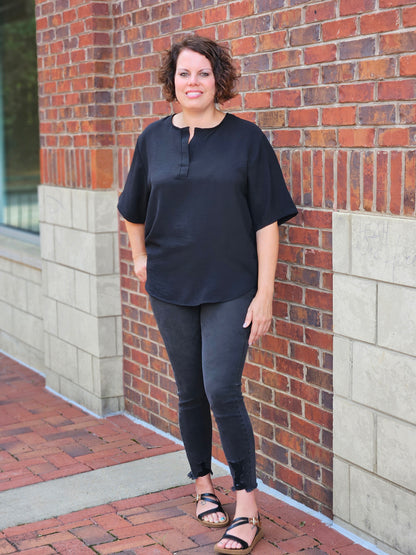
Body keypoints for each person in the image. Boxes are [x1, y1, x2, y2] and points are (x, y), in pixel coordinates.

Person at [117, 35, 298, 555]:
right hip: (171, 286)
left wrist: (264, 293)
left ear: (219, 80)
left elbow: (267, 221)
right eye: (182, 74)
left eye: (201, 73)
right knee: (190, 390)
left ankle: (247, 504)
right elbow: (131, 208)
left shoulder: (246, 140)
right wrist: (140, 260)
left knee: (221, 388)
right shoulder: (152, 138)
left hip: (231, 287)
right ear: (170, 83)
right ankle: (202, 483)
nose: (191, 82)